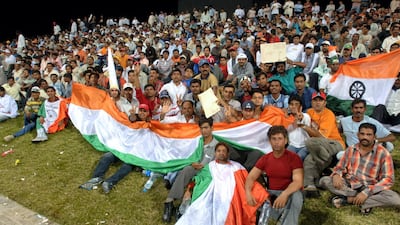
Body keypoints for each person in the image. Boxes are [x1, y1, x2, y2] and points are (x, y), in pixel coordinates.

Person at [176, 142, 268, 224]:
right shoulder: (210, 167)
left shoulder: (237, 167)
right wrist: (188, 190)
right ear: (215, 153)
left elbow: (247, 180)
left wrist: (262, 194)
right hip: (211, 196)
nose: (221, 153)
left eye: (224, 151)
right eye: (219, 151)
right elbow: (198, 179)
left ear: (228, 154)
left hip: (231, 197)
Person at [319, 123, 400, 215]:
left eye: (369, 134)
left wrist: (366, 192)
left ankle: (349, 200)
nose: (365, 137)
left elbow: (388, 179)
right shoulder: (351, 149)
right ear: (358, 135)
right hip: (350, 184)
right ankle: (366, 202)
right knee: (324, 180)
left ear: (374, 136)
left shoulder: (383, 153)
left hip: (371, 187)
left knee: (395, 199)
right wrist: (337, 174)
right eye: (362, 134)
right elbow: (340, 167)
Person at [79, 103, 151, 194]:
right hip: (123, 148)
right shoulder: (134, 118)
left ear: (148, 113)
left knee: (127, 166)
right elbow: (131, 119)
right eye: (141, 110)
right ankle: (96, 178)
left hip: (135, 152)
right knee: (107, 157)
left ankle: (110, 182)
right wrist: (133, 115)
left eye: (145, 111)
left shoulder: (150, 125)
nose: (142, 113)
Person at [162, 116, 218, 223]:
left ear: (212, 128)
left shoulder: (216, 145)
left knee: (195, 175)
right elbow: (188, 156)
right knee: (187, 169)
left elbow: (210, 166)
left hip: (207, 174)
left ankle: (184, 206)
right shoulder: (197, 142)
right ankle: (169, 202)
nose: (204, 131)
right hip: (194, 168)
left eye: (206, 128)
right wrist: (191, 162)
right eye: (201, 128)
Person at [245, 125, 304, 225]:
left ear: (285, 141)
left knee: (296, 195)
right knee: (252, 193)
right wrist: (248, 192)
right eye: (274, 139)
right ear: (270, 141)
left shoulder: (294, 158)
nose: (277, 142)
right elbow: (251, 177)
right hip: (271, 194)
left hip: (289, 193)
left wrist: (284, 194)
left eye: (280, 139)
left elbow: (298, 182)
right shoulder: (265, 158)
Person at [302, 91, 345, 196]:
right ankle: (310, 185)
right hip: (320, 147)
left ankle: (326, 160)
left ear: (325, 103)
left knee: (310, 142)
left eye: (320, 100)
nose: (317, 103)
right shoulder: (309, 112)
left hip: (335, 143)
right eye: (315, 100)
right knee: (309, 159)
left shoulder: (329, 114)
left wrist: (304, 127)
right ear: (311, 102)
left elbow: (322, 136)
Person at [287, 95, 311, 161]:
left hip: (305, 146)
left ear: (300, 107)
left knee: (298, 157)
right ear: (288, 106)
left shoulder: (306, 116)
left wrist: (300, 119)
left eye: (296, 104)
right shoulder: (286, 118)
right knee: (287, 158)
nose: (294, 106)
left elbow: (302, 119)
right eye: (291, 104)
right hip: (292, 145)